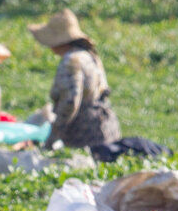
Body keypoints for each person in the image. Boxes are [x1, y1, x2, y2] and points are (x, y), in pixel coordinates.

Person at [28, 9, 121, 149]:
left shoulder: (71, 62)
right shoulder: (88, 55)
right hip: (105, 126)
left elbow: (70, 103)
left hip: (86, 134)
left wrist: (51, 139)